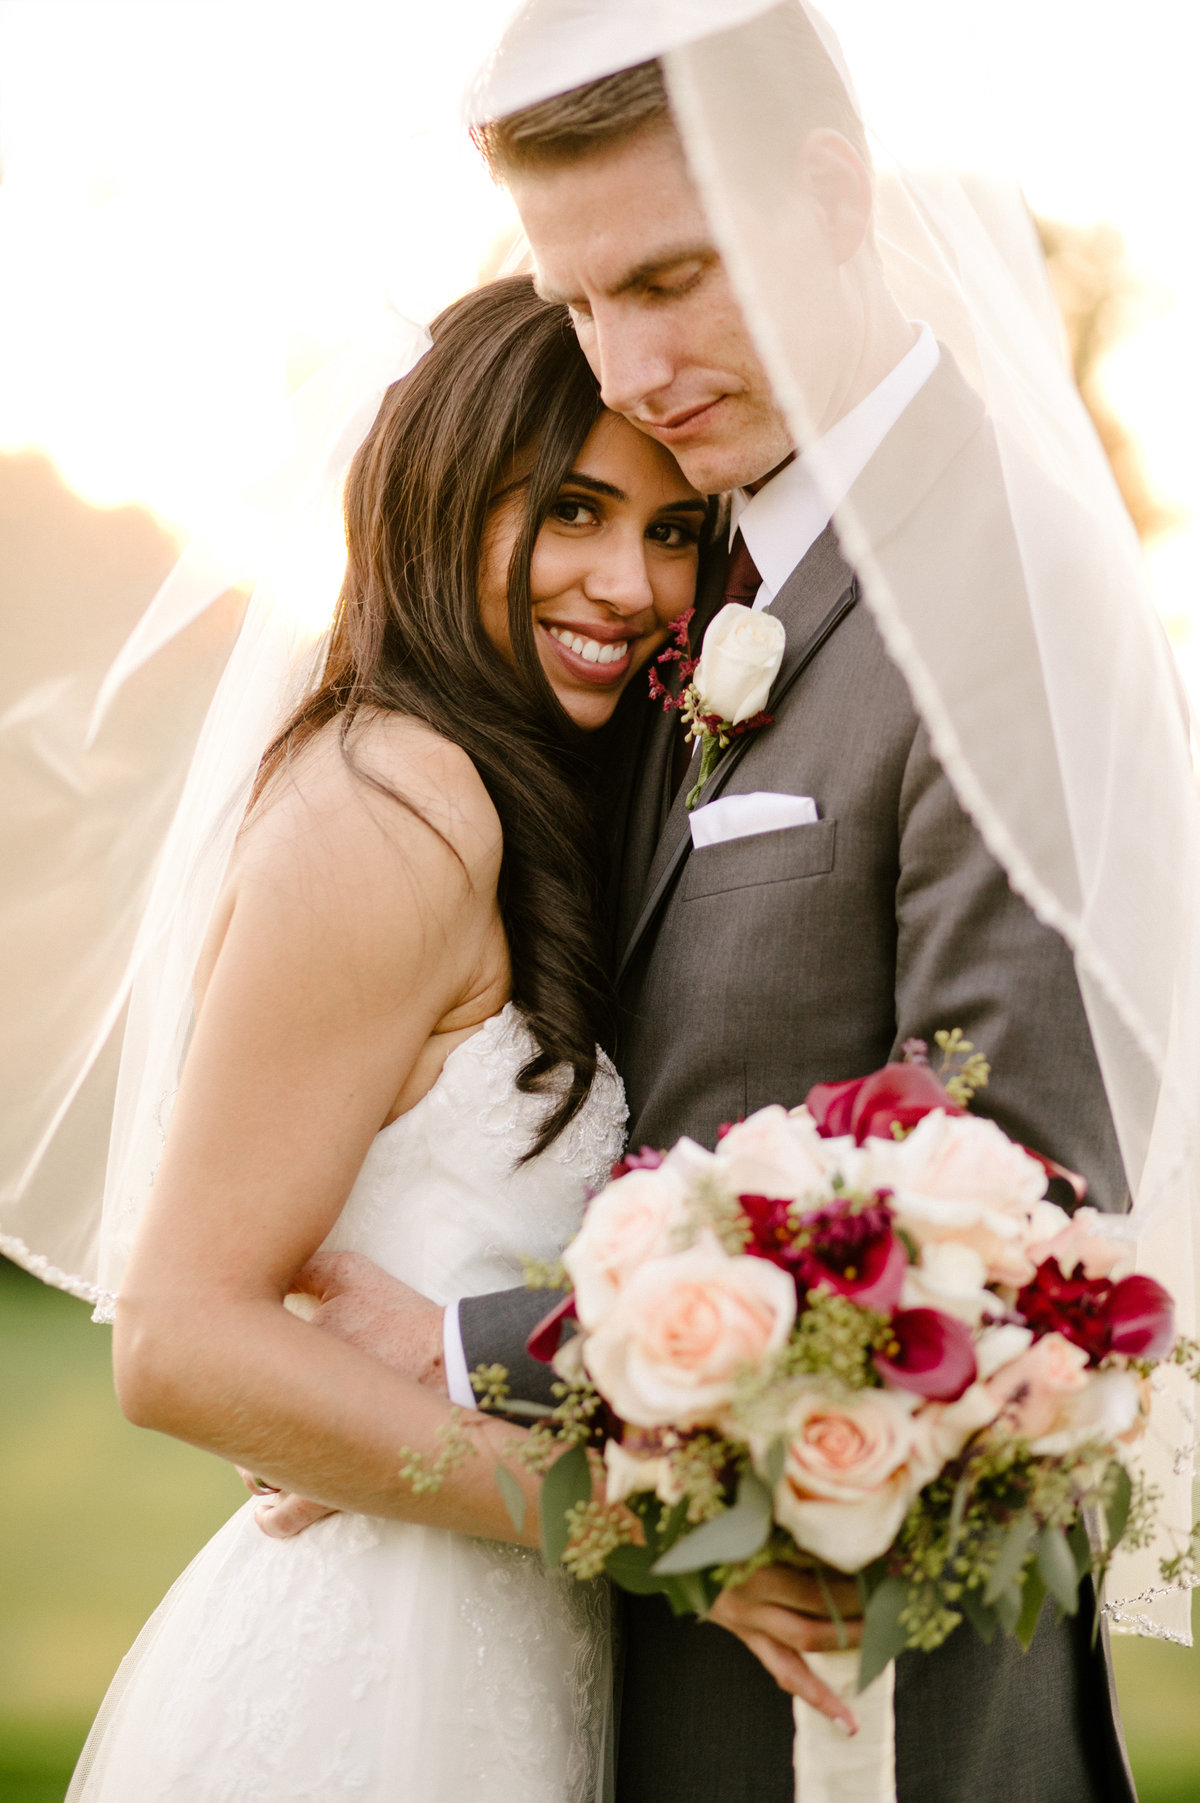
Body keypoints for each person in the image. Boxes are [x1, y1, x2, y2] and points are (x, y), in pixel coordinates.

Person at [266, 20, 1149, 1803]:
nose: (633, 364)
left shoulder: (1003, 582)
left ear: (827, 196)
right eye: (583, 302)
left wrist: (458, 1351)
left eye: (674, 276)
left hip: (869, 1698)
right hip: (659, 1665)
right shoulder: (705, 571)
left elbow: (1022, 1202)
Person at [64, 272, 708, 1803]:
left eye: (672, 531)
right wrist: (613, 1512)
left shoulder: (508, 801)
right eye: (570, 512)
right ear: (440, 503)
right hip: (374, 1683)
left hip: (488, 1640)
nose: (626, 581)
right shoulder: (392, 806)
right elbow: (176, 1338)